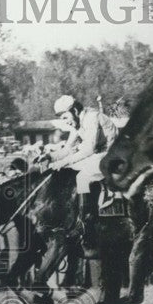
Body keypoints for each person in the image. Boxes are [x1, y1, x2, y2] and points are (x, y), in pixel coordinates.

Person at [48, 94, 118, 256]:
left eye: (65, 117)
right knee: (69, 172)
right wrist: (50, 156)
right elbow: (67, 149)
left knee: (81, 177)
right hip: (99, 154)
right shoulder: (78, 122)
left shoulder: (92, 117)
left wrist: (62, 163)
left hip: (112, 154)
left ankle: (87, 221)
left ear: (74, 110)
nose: (66, 121)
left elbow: (89, 149)